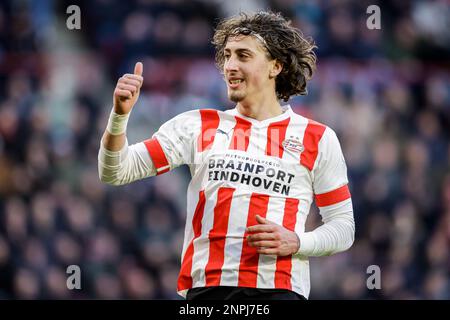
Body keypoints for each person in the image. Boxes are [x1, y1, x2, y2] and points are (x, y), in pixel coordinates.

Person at [98, 11, 355, 300]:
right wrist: (119, 116)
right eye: (227, 56)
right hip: (208, 291)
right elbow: (116, 171)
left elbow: (343, 227)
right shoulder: (197, 125)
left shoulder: (316, 138)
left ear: (275, 66)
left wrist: (297, 241)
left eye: (243, 56)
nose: (230, 66)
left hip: (279, 290)